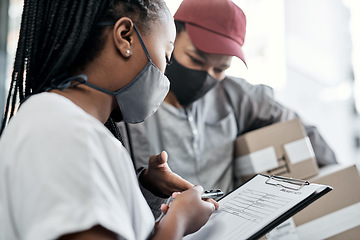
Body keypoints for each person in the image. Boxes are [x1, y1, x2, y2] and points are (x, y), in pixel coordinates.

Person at [0, 1, 219, 239]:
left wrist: (146, 189)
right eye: (166, 56)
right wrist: (180, 220)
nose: (164, 75)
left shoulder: (60, 123)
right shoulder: (64, 132)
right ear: (125, 37)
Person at [119, 0, 338, 218]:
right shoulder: (131, 103)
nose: (206, 76)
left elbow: (298, 127)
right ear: (172, 37)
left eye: (220, 68)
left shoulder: (233, 94)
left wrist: (339, 177)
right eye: (196, 59)